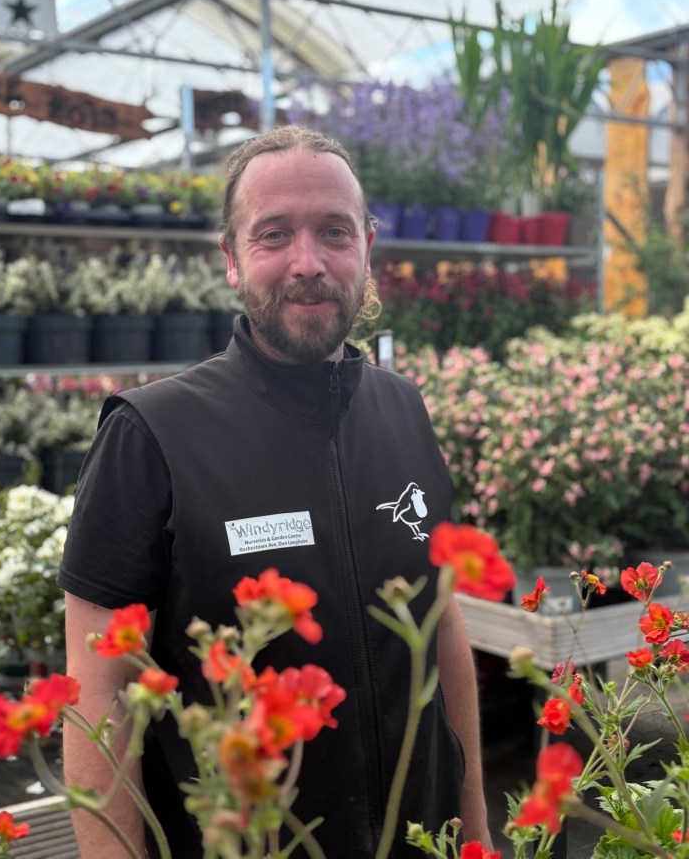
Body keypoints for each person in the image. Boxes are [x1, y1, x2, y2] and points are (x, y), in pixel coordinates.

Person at [58, 125, 493, 858]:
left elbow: (443, 626)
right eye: (273, 235)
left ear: (367, 246)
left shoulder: (403, 410)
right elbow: (98, 697)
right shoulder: (151, 435)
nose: (308, 263)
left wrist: (476, 830)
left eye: (334, 231)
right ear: (231, 258)